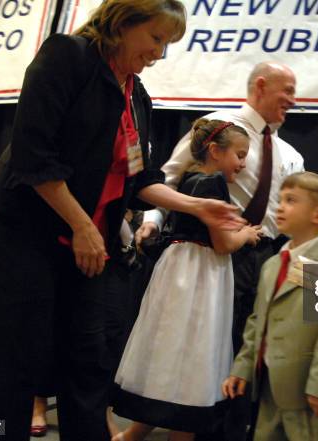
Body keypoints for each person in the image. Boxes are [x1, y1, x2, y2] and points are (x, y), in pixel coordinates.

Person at [0, 2, 243, 440]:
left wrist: (196, 207)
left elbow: (141, 180)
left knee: (89, 357)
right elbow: (33, 157)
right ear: (123, 22)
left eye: (167, 45)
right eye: (156, 38)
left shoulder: (136, 95)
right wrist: (82, 227)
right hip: (30, 231)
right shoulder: (68, 57)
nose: (159, 53)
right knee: (18, 355)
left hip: (90, 240)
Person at [140, 61, 304, 439]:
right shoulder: (219, 128)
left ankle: (230, 429)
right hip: (219, 252)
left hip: (264, 256)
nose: (293, 101)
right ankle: (198, 427)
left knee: (247, 346)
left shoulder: (288, 152)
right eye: (288, 91)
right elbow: (170, 176)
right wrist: (152, 220)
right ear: (261, 85)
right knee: (211, 347)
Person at [112, 119, 261, 441]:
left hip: (181, 269)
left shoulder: (191, 180)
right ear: (215, 151)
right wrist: (245, 234)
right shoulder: (213, 185)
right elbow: (222, 244)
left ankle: (131, 435)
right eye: (239, 153)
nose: (243, 162)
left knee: (171, 352)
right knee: (194, 358)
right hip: (199, 275)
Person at [223, 171, 318, 441]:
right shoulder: (273, 265)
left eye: (291, 200)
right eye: (281, 199)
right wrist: (242, 366)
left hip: (308, 392)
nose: (280, 206)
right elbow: (257, 321)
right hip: (269, 388)